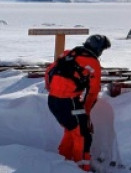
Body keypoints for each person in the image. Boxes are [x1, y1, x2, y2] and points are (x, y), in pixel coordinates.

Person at [45, 34, 111, 171]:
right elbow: (93, 91)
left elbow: (48, 72)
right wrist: (85, 111)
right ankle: (81, 168)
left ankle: (63, 162)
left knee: (71, 130)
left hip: (52, 101)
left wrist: (52, 90)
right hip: (68, 102)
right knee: (83, 135)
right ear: (99, 50)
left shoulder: (68, 53)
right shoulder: (93, 63)